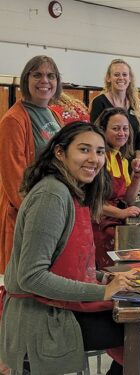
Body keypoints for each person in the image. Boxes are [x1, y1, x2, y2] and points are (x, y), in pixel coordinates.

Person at [0, 122, 140, 375]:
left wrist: (107, 277)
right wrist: (104, 291)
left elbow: (69, 265)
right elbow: (31, 277)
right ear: (60, 152)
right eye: (84, 149)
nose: (94, 159)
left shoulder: (69, 190)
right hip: (43, 318)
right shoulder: (52, 195)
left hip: (55, 306)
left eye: (98, 152)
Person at [0, 55, 63, 274]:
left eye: (50, 75)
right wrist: (34, 215)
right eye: (37, 75)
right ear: (26, 80)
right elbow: (13, 178)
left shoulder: (53, 114)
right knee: (24, 276)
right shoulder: (14, 120)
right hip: (28, 213)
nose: (44, 80)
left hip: (51, 206)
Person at [92, 107, 140, 269]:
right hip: (99, 227)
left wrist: (138, 174)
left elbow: (129, 199)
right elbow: (92, 203)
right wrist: (122, 213)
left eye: (125, 129)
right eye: (115, 129)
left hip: (114, 223)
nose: (121, 133)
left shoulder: (121, 158)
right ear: (102, 130)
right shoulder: (99, 158)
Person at [90, 58, 140, 159]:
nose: (121, 78)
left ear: (130, 78)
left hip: (131, 163)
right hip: (107, 161)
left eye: (124, 75)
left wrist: (137, 161)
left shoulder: (138, 105)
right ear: (108, 78)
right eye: (116, 74)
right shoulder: (99, 102)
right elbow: (95, 135)